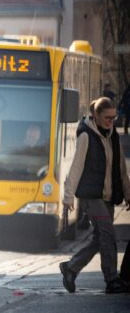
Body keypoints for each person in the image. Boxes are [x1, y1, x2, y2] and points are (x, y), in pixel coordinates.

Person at [59, 97, 130, 294]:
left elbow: (121, 168)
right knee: (107, 234)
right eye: (107, 118)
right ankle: (111, 280)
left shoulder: (113, 134)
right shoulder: (86, 136)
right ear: (96, 116)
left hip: (107, 196)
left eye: (114, 118)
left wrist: (128, 194)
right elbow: (76, 167)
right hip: (91, 197)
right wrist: (68, 196)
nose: (111, 122)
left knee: (99, 238)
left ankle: (71, 268)